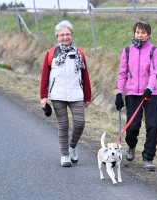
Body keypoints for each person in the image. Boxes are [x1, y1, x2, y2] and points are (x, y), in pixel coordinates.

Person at [40, 20, 91, 167]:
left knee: (80, 123)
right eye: (62, 35)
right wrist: (44, 97)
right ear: (57, 37)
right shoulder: (50, 54)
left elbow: (85, 76)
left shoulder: (79, 53)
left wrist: (87, 97)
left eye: (68, 34)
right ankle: (64, 155)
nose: (65, 37)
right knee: (63, 126)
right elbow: (44, 77)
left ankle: (72, 146)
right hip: (57, 95)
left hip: (76, 94)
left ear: (72, 35)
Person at [115, 21, 157, 171]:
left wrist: (149, 87)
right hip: (132, 93)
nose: (140, 35)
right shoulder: (127, 50)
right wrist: (119, 93)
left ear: (148, 35)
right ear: (134, 33)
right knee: (132, 127)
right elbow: (122, 74)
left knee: (152, 125)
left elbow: (154, 71)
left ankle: (148, 157)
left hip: (150, 93)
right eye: (137, 32)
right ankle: (131, 145)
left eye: (143, 32)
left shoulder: (154, 50)